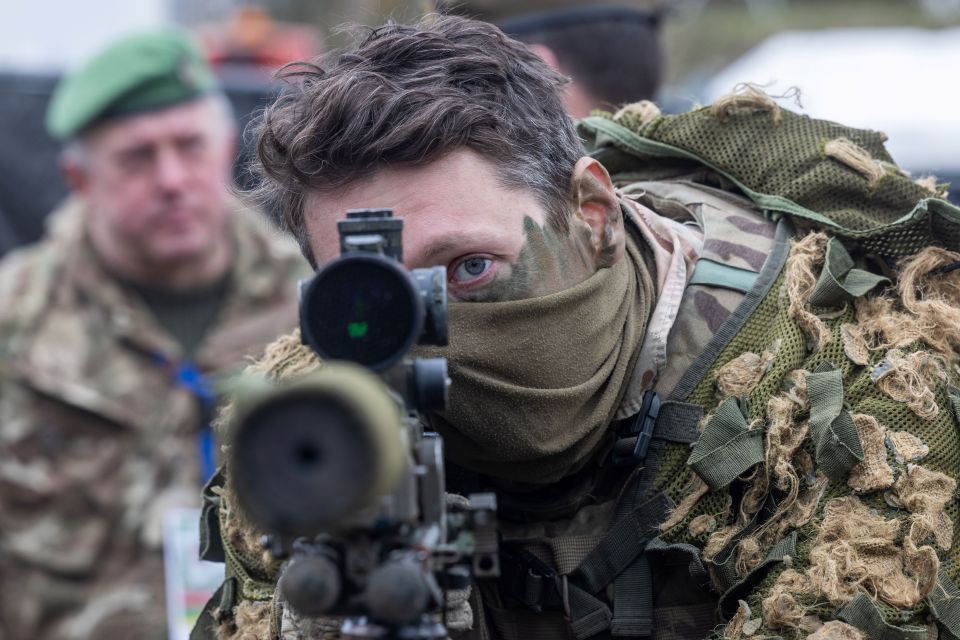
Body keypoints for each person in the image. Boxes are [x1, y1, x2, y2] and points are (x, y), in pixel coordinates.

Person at [196, 14, 960, 640]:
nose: (427, 324)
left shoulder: (844, 388)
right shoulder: (305, 427)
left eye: (467, 268)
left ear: (591, 215)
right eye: (376, 293)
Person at [0, 29, 309, 639]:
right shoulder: (14, 329)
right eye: (138, 156)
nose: (171, 179)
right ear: (80, 178)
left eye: (189, 146)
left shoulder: (312, 308)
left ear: (224, 148)